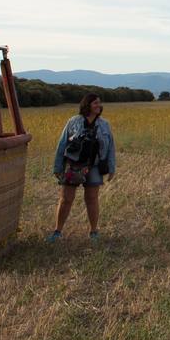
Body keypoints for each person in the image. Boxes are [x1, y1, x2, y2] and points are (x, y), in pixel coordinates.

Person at [50, 94, 116, 242]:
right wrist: (58, 166)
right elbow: (62, 144)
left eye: (99, 103)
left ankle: (93, 232)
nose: (99, 106)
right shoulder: (73, 121)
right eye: (95, 103)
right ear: (87, 105)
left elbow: (111, 146)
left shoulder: (104, 124)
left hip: (94, 167)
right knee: (66, 199)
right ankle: (57, 231)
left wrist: (111, 167)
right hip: (73, 165)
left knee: (92, 199)